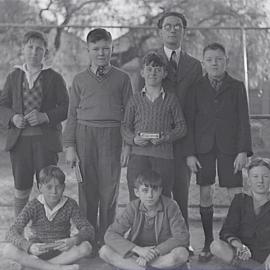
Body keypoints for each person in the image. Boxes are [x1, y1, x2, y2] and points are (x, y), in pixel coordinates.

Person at [63, 28, 132, 247]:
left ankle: (106, 239)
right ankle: (89, 238)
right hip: (85, 137)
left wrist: (127, 146)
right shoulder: (79, 80)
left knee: (109, 192)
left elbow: (130, 117)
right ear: (88, 50)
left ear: (112, 49)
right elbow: (72, 115)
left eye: (106, 49)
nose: (101, 53)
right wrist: (70, 146)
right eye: (96, 49)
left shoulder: (122, 78)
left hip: (112, 137)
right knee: (87, 191)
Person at [185, 42, 252, 262]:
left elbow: (244, 121)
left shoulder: (237, 86)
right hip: (203, 149)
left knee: (236, 195)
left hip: (230, 149)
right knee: (205, 193)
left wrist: (243, 151)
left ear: (226, 61)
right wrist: (190, 153)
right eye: (210, 59)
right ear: (203, 62)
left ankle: (235, 242)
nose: (215, 63)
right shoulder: (196, 87)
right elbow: (190, 122)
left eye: (219, 59)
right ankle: (207, 243)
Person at [0, 30, 69, 217]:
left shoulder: (54, 77)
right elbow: (2, 105)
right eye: (30, 47)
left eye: (39, 49)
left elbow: (65, 107)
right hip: (20, 143)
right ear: (23, 49)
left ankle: (46, 231)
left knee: (48, 188)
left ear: (45, 53)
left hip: (45, 144)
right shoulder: (14, 76)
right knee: (21, 187)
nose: (34, 52)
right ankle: (19, 230)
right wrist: (13, 117)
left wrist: (45, 116)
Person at [154, 11, 203, 232]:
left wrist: (193, 145)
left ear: (184, 31)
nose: (172, 30)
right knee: (159, 191)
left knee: (182, 191)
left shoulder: (194, 65)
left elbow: (196, 108)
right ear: (160, 31)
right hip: (158, 138)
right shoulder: (151, 60)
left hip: (184, 139)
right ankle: (161, 237)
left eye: (177, 26)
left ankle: (183, 240)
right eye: (168, 26)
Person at [122, 52, 186, 201]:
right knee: (137, 198)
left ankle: (161, 225)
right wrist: (133, 139)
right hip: (138, 156)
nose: (153, 73)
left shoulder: (171, 99)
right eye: (149, 69)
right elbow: (125, 126)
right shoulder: (135, 100)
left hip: (163, 157)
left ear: (164, 73)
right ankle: (139, 225)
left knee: (162, 198)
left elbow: (182, 127)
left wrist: (167, 137)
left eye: (157, 69)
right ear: (142, 73)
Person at [3, 165, 94, 270]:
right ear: (40, 187)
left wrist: (74, 240)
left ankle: (37, 266)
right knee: (8, 249)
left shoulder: (70, 204)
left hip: (62, 251)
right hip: (37, 250)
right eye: (49, 187)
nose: (54, 192)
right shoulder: (34, 205)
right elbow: (11, 231)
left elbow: (89, 229)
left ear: (63, 187)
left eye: (58, 186)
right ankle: (56, 268)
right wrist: (29, 246)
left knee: (86, 247)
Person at [99, 170, 189, 270]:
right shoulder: (133, 207)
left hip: (161, 254)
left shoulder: (171, 206)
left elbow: (182, 237)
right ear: (137, 192)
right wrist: (138, 250)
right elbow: (110, 234)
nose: (150, 195)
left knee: (182, 253)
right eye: (145, 190)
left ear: (160, 191)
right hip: (138, 254)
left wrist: (154, 252)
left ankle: (136, 267)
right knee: (104, 251)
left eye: (154, 190)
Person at [210, 158, 270, 270]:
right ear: (249, 181)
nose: (260, 181)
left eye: (265, 176)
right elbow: (227, 231)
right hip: (243, 253)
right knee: (216, 246)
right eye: (255, 176)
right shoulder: (240, 200)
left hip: (266, 254)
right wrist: (238, 245)